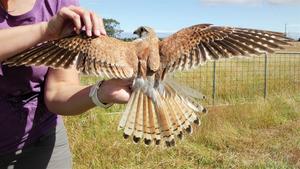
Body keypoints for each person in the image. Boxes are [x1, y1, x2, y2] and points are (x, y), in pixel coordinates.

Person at [0, 0, 132, 168]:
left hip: (39, 143)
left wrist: (102, 92)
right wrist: (45, 30)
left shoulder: (59, 4)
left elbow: (57, 92)